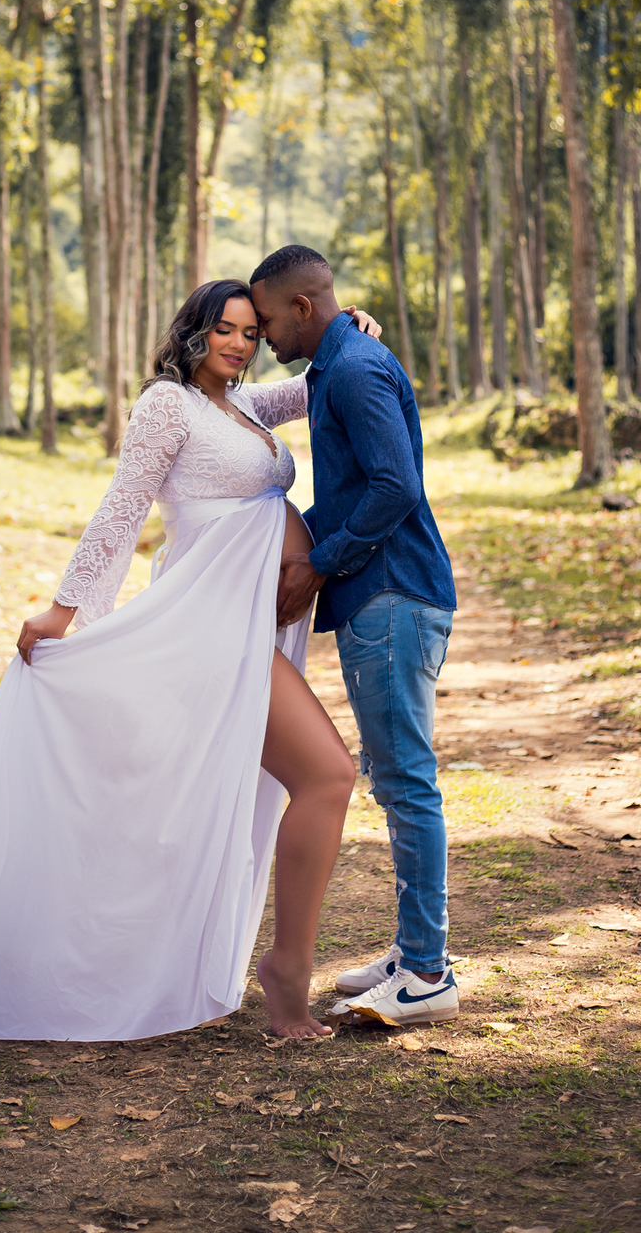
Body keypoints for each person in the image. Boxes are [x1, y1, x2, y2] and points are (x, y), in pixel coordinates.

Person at [0, 280, 379, 1052]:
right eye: (224, 329)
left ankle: (262, 965)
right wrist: (66, 610)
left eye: (251, 333)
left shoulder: (242, 407)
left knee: (251, 793)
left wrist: (350, 329)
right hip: (207, 632)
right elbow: (123, 508)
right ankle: (286, 975)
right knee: (327, 774)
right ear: (193, 331)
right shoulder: (167, 406)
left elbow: (313, 385)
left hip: (244, 631)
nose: (238, 344)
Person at [250, 245, 460, 1029]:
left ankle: (429, 972)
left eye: (268, 319)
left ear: (302, 308)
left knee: (405, 780)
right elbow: (361, 488)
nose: (263, 335)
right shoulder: (334, 366)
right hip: (382, 598)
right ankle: (415, 951)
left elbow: (395, 487)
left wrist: (318, 564)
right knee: (395, 775)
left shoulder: (354, 370)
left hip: (393, 595)